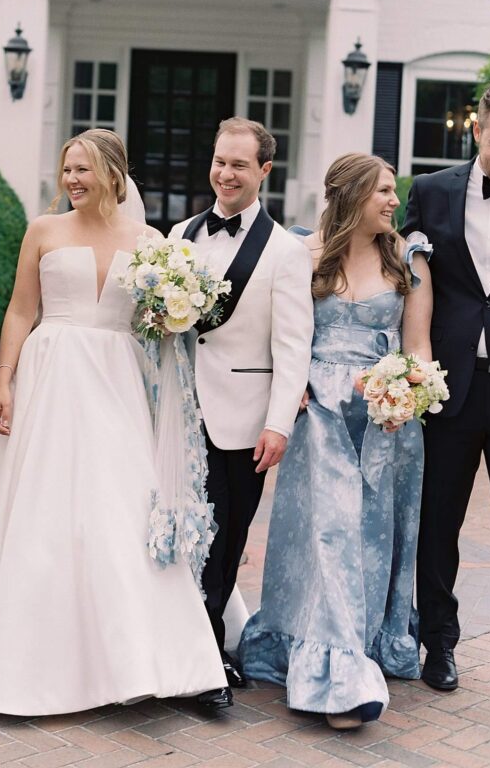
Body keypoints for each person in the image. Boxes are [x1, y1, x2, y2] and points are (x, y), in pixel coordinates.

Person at [0, 128, 226, 714]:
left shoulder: (150, 239)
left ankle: (131, 659)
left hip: (119, 381)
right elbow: (22, 308)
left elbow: (160, 327)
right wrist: (4, 380)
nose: (72, 180)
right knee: (37, 506)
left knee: (119, 508)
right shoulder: (44, 230)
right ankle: (24, 656)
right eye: (66, 170)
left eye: (83, 170)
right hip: (50, 378)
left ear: (113, 173)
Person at [240, 153, 433, 730]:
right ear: (350, 196)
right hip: (318, 413)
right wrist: (288, 384)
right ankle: (338, 676)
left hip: (384, 417)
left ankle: (359, 649)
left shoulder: (407, 257)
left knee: (369, 536)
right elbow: (277, 332)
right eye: (382, 191)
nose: (393, 201)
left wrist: (408, 393)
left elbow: (417, 346)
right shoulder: (303, 254)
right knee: (327, 533)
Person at [169, 117, 314, 710]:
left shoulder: (285, 251)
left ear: (263, 172)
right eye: (219, 161)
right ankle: (191, 647)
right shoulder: (180, 233)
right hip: (179, 412)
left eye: (239, 165)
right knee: (178, 530)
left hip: (246, 419)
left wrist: (279, 423)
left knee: (226, 539)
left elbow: (293, 345)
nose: (225, 174)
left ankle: (209, 649)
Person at [402, 84, 490, 692]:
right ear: (477, 131)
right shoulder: (432, 192)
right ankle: (438, 642)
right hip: (451, 387)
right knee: (438, 524)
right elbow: (401, 271)